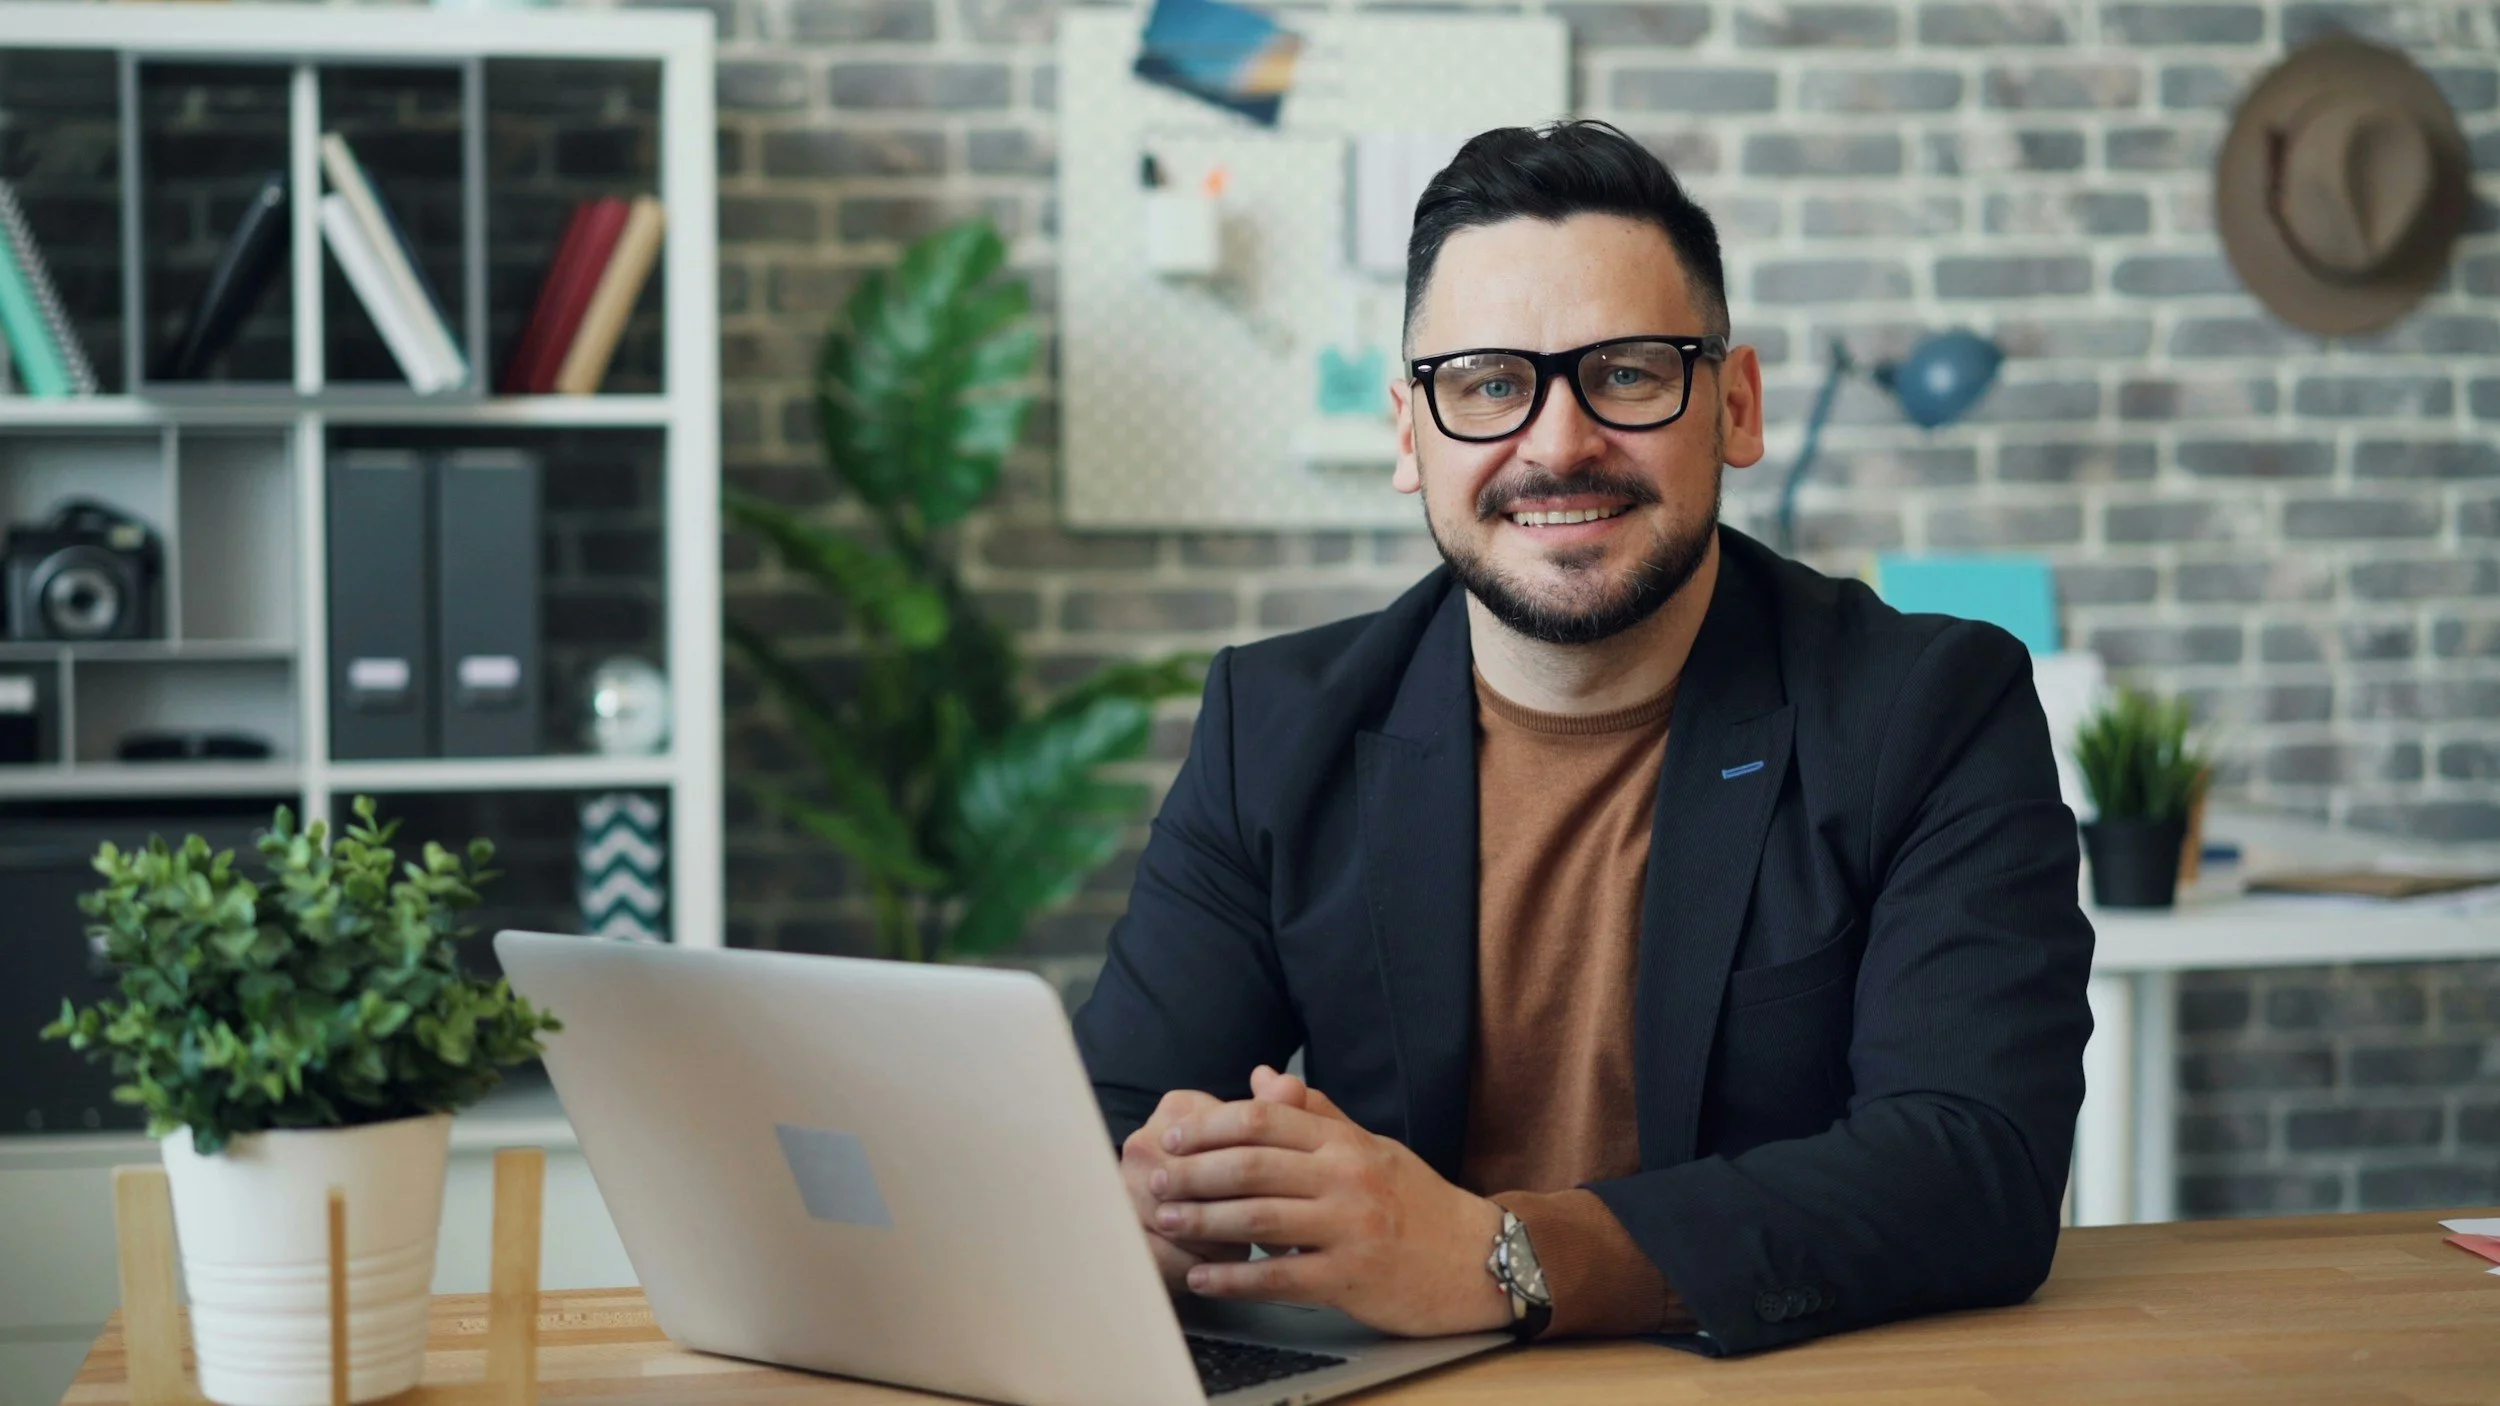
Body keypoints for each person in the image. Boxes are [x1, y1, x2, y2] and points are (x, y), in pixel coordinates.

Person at [1071, 119, 2094, 1356]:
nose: (1555, 443)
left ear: (1735, 404)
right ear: (1410, 433)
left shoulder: (1929, 707)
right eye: (1489, 383)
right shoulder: (1270, 727)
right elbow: (1117, 1125)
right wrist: (1144, 1201)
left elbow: (1975, 1165)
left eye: (1623, 371)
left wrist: (1501, 1255)